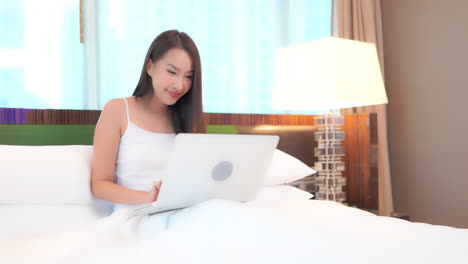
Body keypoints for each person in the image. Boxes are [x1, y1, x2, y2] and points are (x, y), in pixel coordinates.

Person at [91, 30, 205, 211]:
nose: (180, 85)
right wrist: (149, 197)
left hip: (181, 214)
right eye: (172, 72)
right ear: (150, 66)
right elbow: (100, 185)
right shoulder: (117, 110)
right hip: (136, 216)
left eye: (188, 76)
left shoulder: (189, 120)